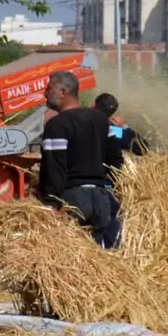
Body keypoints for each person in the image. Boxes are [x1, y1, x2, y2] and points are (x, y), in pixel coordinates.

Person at [38, 71, 117, 248]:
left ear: (63, 92)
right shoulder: (101, 121)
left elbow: (54, 167)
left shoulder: (57, 125)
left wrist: (50, 203)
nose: (45, 92)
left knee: (70, 260)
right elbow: (116, 160)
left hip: (73, 201)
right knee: (97, 257)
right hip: (101, 200)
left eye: (49, 88)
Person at [93, 93, 149, 248]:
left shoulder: (79, 124)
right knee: (111, 223)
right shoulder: (114, 132)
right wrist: (125, 127)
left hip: (77, 186)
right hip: (105, 185)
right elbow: (142, 147)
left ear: (93, 105)